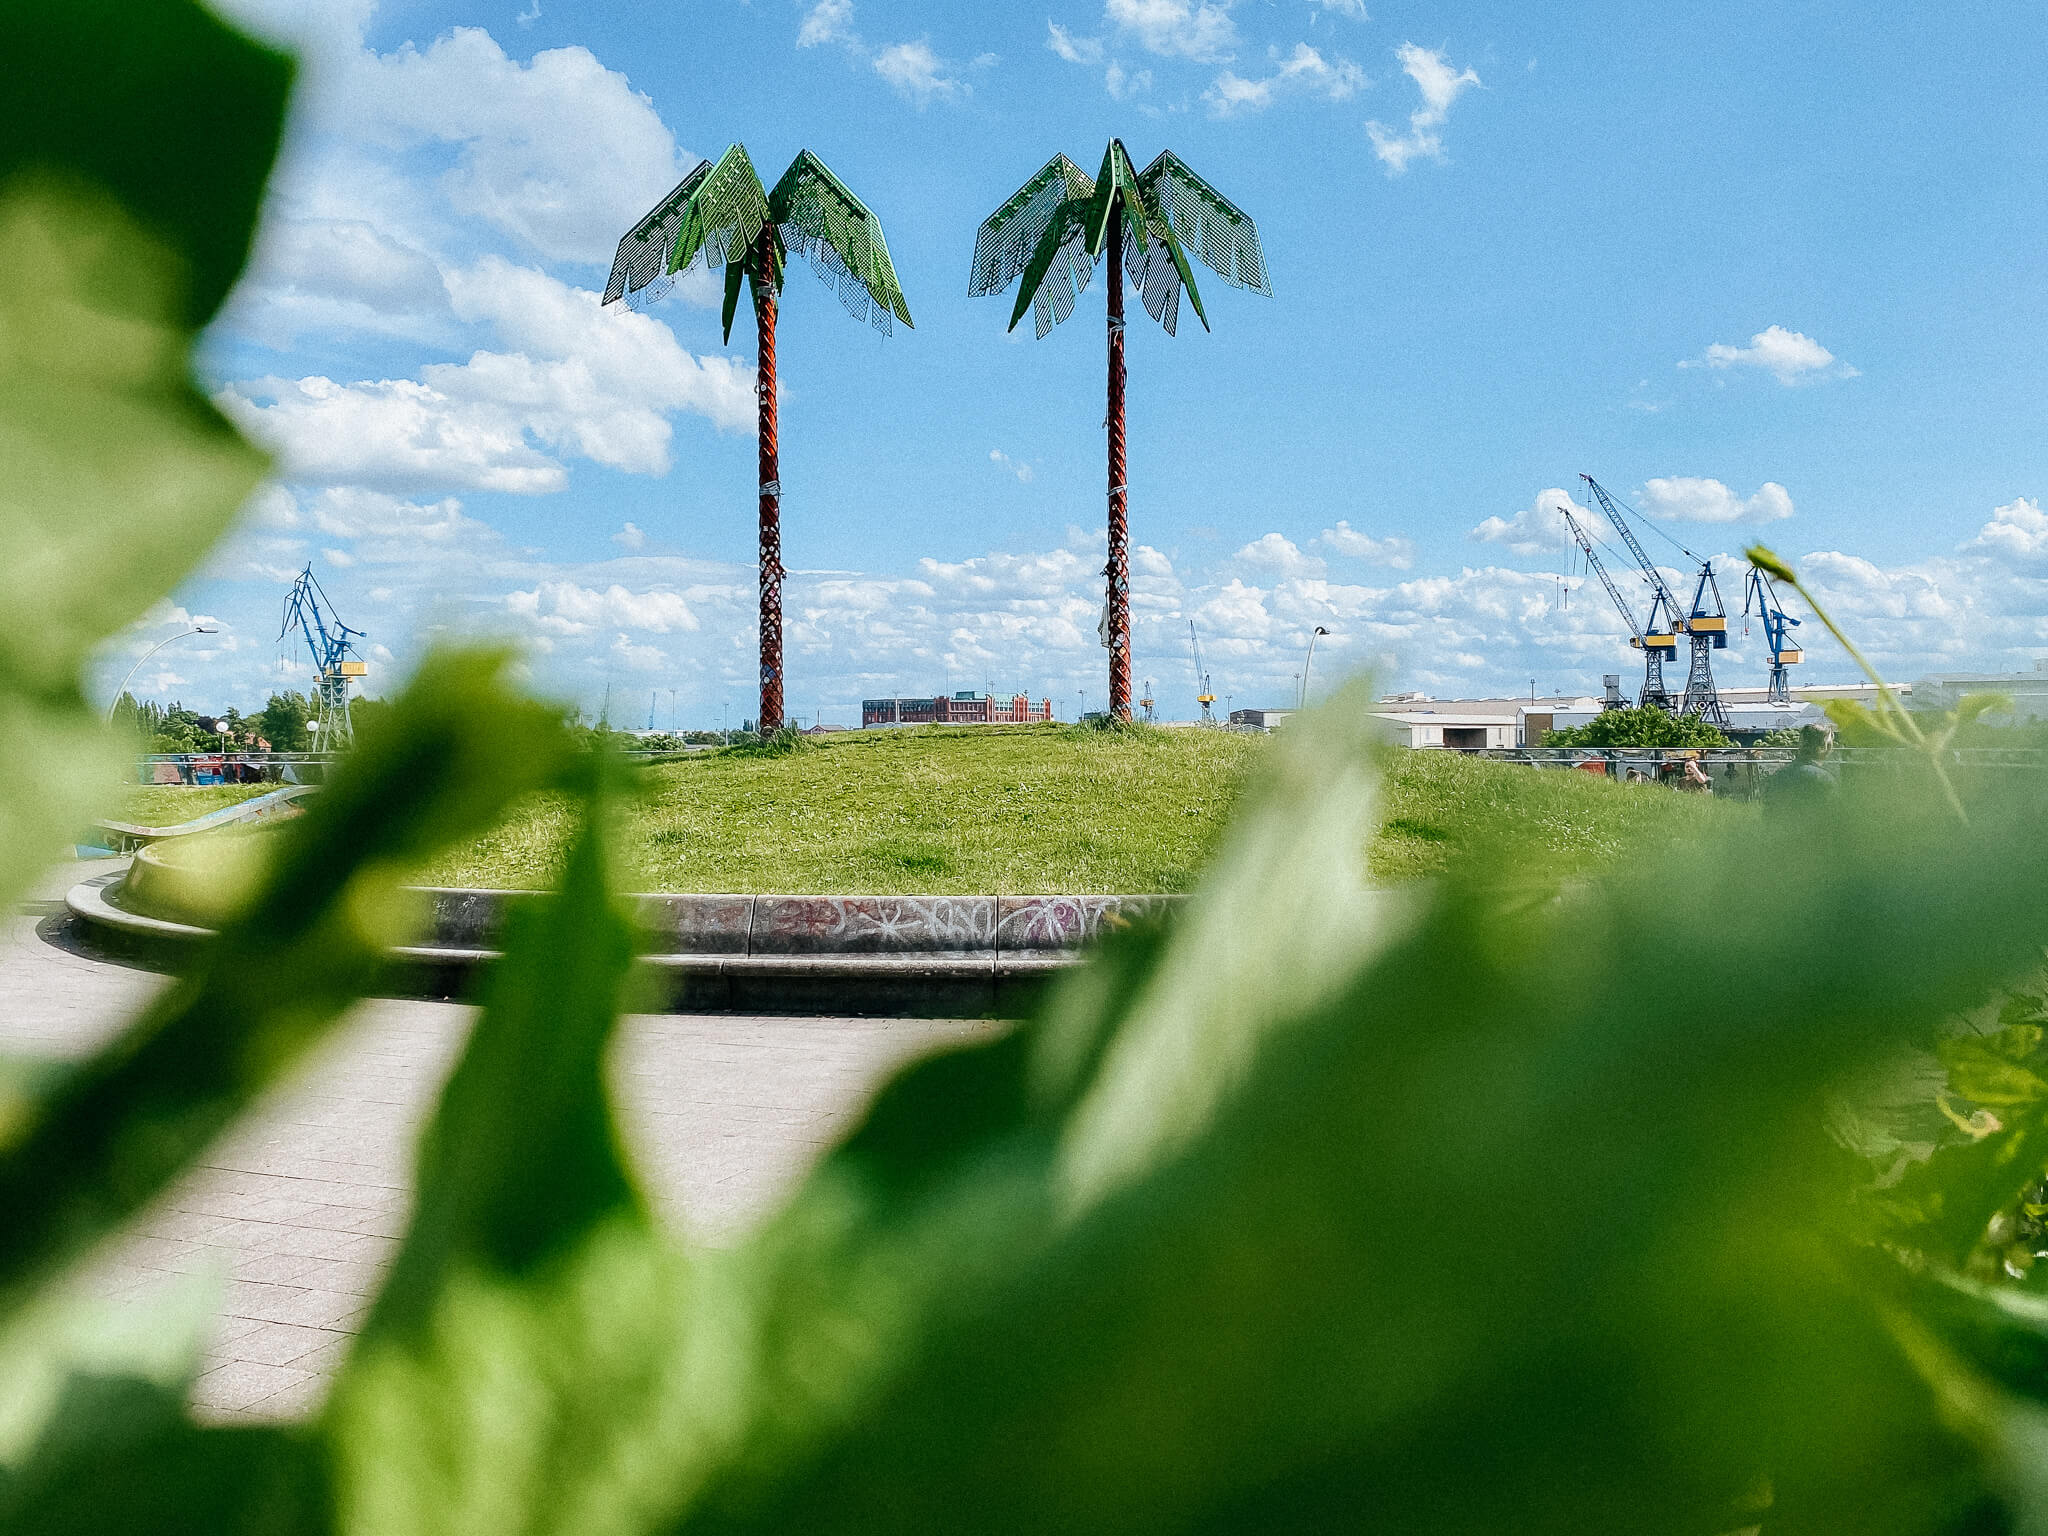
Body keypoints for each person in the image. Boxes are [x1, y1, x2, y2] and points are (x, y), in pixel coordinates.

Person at [1763, 724, 1839, 814]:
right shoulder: (1825, 779)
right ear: (1825, 747)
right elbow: (1833, 816)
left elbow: (1768, 812)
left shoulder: (1778, 775)